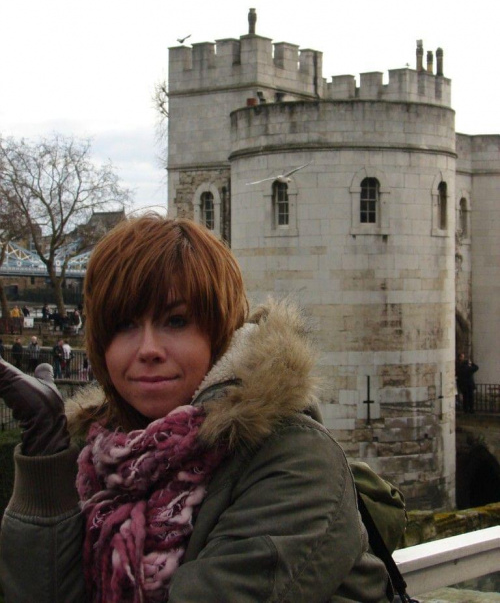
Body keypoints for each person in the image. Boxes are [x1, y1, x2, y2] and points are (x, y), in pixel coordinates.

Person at [0, 215, 391, 602]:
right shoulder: (98, 455)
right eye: (123, 325)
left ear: (220, 330)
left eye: (176, 320)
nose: (148, 349)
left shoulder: (297, 460)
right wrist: (45, 453)